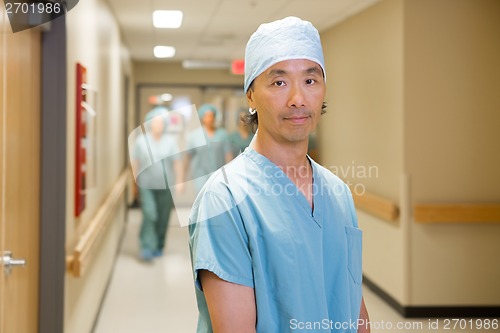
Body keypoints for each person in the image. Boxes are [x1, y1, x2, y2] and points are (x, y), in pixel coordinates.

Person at [189, 16, 370, 333]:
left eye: (310, 81)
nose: (298, 99)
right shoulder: (225, 200)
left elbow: (354, 305)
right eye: (279, 82)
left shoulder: (338, 193)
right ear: (250, 95)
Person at [131, 106, 182, 261]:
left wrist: (180, 181)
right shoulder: (141, 141)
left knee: (163, 217)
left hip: (166, 185)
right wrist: (134, 183)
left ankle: (159, 245)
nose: (157, 125)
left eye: (160, 122)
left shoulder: (171, 142)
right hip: (146, 185)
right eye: (154, 122)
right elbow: (135, 163)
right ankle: (147, 246)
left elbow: (177, 162)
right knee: (150, 214)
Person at [185, 103, 233, 192]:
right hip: (199, 175)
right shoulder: (194, 136)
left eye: (211, 116)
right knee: (202, 198)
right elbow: (187, 157)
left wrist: (230, 174)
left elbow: (228, 155)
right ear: (202, 118)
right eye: (207, 116)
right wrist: (182, 178)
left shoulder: (223, 134)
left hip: (219, 174)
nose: (209, 119)